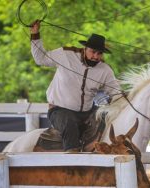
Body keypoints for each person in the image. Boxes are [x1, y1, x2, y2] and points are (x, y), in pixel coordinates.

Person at [30, 20, 121, 152]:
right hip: (59, 111)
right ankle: (72, 157)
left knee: (105, 118)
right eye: (93, 52)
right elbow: (40, 58)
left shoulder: (105, 70)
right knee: (69, 123)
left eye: (99, 53)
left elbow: (115, 91)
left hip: (87, 112)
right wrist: (35, 34)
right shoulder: (65, 55)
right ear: (85, 49)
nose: (96, 56)